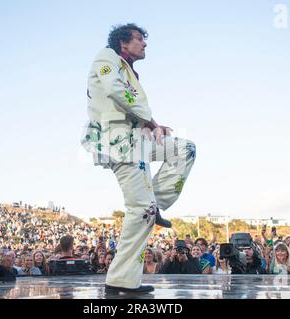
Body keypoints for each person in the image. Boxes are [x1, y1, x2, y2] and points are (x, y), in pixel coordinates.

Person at [82, 23, 196, 294]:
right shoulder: (106, 56)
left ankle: (155, 204)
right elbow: (116, 91)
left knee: (185, 149)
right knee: (141, 211)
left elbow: (130, 104)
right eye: (139, 39)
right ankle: (122, 278)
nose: (144, 44)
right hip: (118, 142)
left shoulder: (130, 70)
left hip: (138, 141)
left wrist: (151, 126)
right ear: (123, 42)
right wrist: (152, 123)